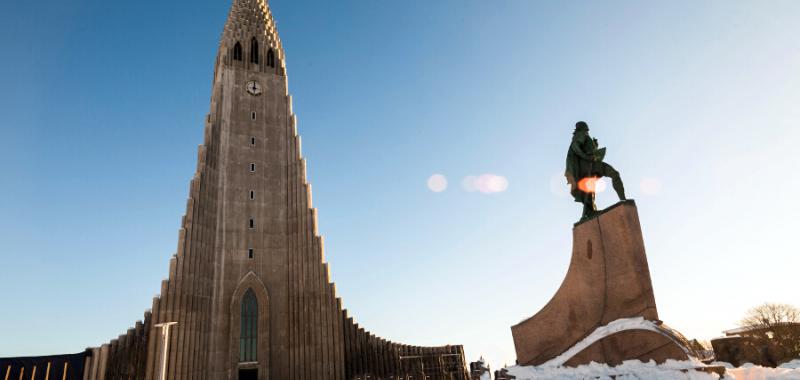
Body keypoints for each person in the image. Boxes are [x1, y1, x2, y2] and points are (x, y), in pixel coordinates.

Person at [565, 121, 626, 220]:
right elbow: (575, 146)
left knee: (589, 190)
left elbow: (585, 148)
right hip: (590, 164)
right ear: (583, 127)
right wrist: (586, 156)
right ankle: (623, 200)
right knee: (613, 174)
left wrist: (595, 145)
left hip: (591, 163)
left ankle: (590, 212)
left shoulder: (584, 135)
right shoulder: (581, 134)